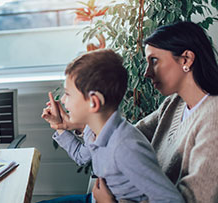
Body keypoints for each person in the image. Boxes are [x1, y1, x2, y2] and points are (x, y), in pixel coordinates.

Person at [40, 49, 184, 202]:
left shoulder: (126, 148)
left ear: (94, 102)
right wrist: (61, 127)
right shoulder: (94, 131)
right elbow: (81, 157)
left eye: (68, 94)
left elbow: (171, 200)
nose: (62, 100)